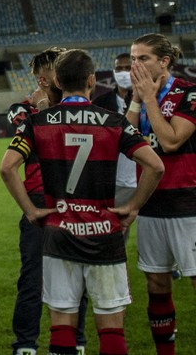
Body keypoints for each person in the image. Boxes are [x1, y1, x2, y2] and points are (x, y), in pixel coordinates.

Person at [0, 49, 165, 355]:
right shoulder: (113, 120)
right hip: (104, 232)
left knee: (61, 320)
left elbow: (6, 167)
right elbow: (155, 166)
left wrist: (31, 211)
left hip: (58, 227)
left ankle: (44, 343)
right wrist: (134, 206)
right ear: (92, 80)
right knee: (111, 325)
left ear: (59, 80)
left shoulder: (39, 122)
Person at [6, 47, 88, 355]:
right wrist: (42, 112)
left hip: (78, 201)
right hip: (42, 202)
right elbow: (14, 159)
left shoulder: (81, 108)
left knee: (76, 276)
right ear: (44, 80)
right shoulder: (23, 111)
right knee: (33, 279)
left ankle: (77, 341)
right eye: (60, 69)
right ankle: (25, 345)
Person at [127, 33, 196, 355]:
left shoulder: (189, 93)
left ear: (164, 62)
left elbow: (170, 142)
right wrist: (137, 100)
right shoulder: (138, 96)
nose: (135, 65)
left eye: (143, 58)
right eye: (133, 58)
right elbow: (124, 142)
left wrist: (150, 100)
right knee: (156, 285)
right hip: (151, 205)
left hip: (188, 206)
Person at [93, 53, 138, 232]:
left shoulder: (151, 102)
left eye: (128, 68)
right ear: (113, 71)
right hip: (117, 182)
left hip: (146, 181)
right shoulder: (100, 104)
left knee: (156, 240)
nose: (123, 72)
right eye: (119, 68)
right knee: (116, 238)